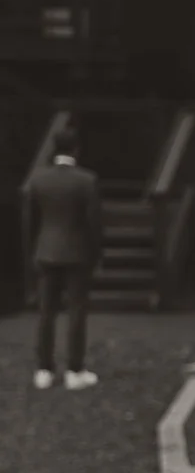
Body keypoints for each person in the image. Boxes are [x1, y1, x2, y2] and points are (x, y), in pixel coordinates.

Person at [23, 122, 102, 392]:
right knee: (76, 312)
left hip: (46, 250)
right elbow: (93, 223)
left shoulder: (38, 179)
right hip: (77, 252)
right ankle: (74, 369)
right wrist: (97, 253)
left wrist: (33, 249)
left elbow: (31, 221)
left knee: (46, 312)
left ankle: (44, 369)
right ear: (76, 149)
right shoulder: (87, 180)